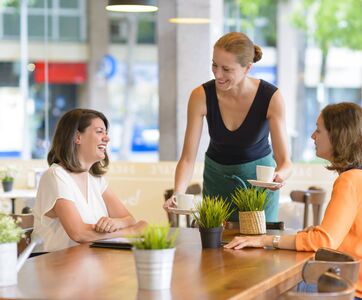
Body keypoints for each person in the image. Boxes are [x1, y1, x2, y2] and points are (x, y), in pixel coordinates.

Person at [224, 102, 362, 300]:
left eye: (318, 130)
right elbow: (341, 236)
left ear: (338, 136)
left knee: (274, 290)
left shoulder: (351, 180)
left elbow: (323, 241)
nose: (313, 136)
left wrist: (264, 240)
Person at [163, 32, 292, 221]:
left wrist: (279, 176)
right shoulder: (201, 96)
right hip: (217, 182)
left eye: (226, 69)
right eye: (214, 64)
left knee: (258, 246)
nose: (217, 74)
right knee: (214, 246)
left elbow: (285, 162)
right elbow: (188, 158)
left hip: (259, 188)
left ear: (247, 68)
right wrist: (178, 193)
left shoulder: (271, 97)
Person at [32, 108, 147, 252]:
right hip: (55, 266)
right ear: (77, 137)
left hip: (86, 262)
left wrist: (115, 222)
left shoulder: (96, 180)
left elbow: (129, 219)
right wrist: (130, 232)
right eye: (99, 132)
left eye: (106, 133)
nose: (107, 138)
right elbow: (79, 233)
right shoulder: (56, 176)